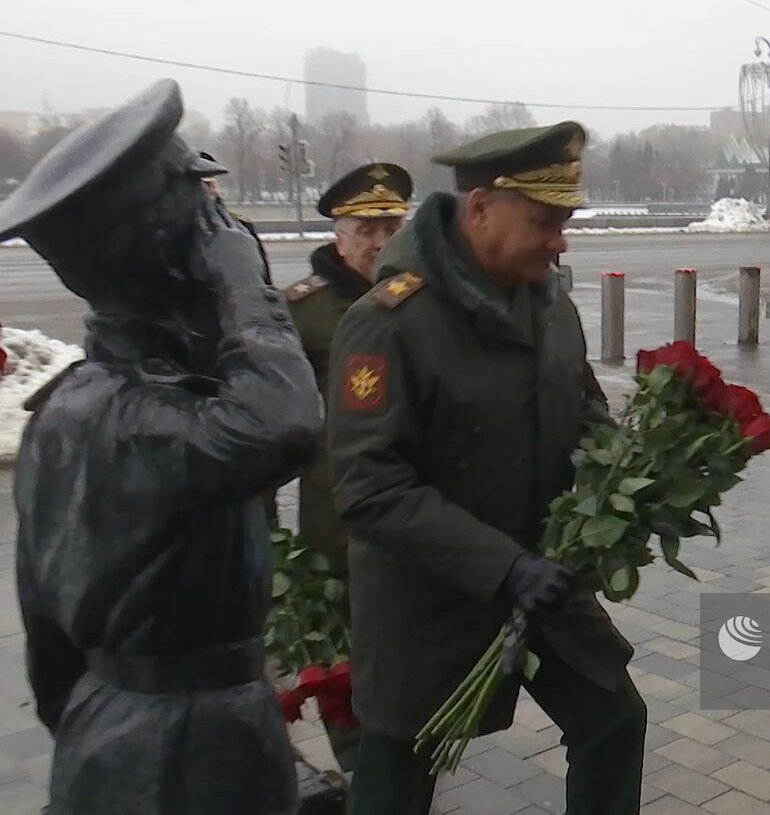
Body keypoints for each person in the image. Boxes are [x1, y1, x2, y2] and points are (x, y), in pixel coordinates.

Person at [0, 79, 320, 815]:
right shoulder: (140, 418)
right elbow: (286, 424)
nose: (224, 227)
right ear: (185, 257)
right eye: (207, 215)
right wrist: (246, 288)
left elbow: (46, 639)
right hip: (192, 747)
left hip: (110, 728)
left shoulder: (72, 408)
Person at [327, 121, 645, 814]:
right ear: (479, 210)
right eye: (545, 221)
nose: (560, 238)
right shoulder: (389, 322)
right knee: (395, 786)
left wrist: (624, 470)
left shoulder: (550, 305)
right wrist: (503, 568)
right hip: (430, 600)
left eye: (565, 220)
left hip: (544, 579)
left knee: (614, 719)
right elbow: (368, 486)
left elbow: (580, 403)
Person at [281, 160, 413, 772]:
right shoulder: (300, 311)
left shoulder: (417, 299)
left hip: (417, 508)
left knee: (406, 644)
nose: (381, 240)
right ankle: (362, 767)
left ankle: (404, 752)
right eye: (367, 227)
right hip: (337, 517)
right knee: (344, 648)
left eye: (391, 224)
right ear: (339, 232)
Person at [198, 150, 272, 286]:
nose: (210, 191)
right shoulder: (165, 233)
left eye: (211, 184)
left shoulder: (240, 227)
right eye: (204, 185)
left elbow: (263, 283)